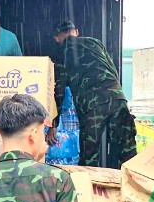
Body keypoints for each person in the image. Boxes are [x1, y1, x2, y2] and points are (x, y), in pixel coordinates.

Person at [49, 19, 138, 168]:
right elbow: (112, 69)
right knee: (127, 152)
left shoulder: (63, 52)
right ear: (76, 32)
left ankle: (88, 189)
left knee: (89, 157)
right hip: (117, 97)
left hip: (93, 104)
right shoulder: (95, 42)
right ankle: (133, 187)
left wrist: (53, 124)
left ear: (57, 38)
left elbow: (59, 91)